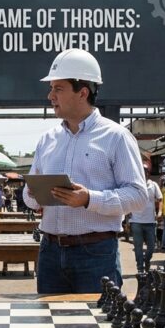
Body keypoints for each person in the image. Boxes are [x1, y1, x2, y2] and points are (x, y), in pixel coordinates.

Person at [23, 48, 148, 293]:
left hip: (96, 254)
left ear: (83, 92)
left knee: (98, 317)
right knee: (48, 318)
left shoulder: (116, 137)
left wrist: (89, 199)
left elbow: (138, 195)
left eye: (58, 88)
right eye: (51, 88)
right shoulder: (47, 140)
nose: (50, 96)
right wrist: (33, 195)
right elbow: (29, 197)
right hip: (50, 252)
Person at [129, 153, 162, 272]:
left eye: (146, 171)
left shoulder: (153, 185)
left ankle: (147, 260)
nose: (144, 173)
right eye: (142, 171)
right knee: (138, 247)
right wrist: (127, 217)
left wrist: (160, 212)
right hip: (136, 221)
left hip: (150, 222)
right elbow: (129, 200)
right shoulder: (134, 185)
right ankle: (140, 269)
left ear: (148, 173)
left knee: (151, 247)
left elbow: (160, 199)